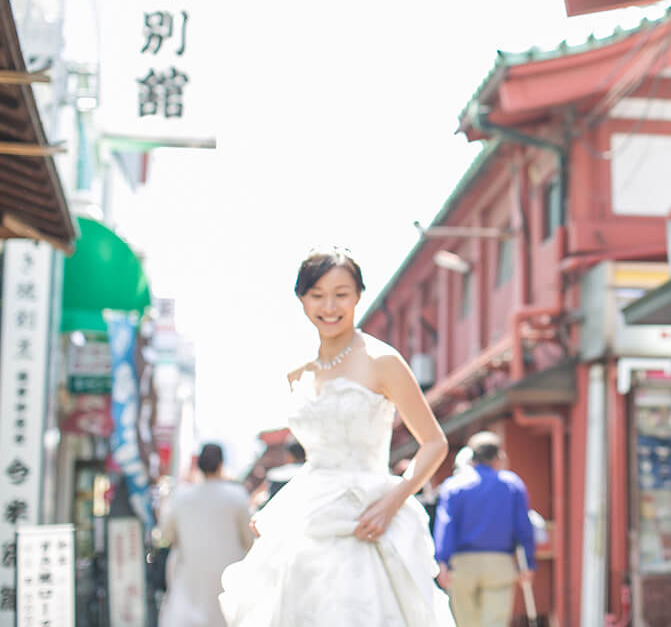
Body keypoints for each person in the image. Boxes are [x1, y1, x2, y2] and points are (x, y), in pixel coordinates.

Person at [219, 247, 454, 625]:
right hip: (310, 514)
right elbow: (318, 459)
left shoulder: (383, 361)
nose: (329, 306)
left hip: (368, 514)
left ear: (358, 295)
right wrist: (279, 509)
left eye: (341, 294)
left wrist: (393, 501)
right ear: (301, 299)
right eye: (317, 295)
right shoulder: (299, 373)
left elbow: (435, 442)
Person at [434, 431, 536, 627]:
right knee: (495, 622)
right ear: (498, 456)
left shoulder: (454, 486)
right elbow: (524, 527)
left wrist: (443, 562)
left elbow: (446, 525)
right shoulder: (511, 484)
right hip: (500, 563)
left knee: (465, 622)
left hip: (462, 564)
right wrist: (528, 563)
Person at [159, 443, 254, 627]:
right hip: (229, 576)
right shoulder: (236, 495)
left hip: (191, 579)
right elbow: (249, 539)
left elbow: (167, 536)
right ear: (221, 464)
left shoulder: (181, 497)